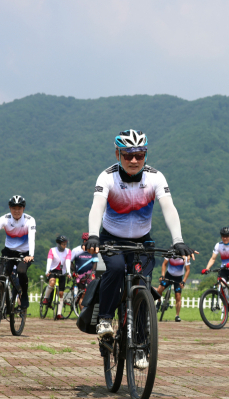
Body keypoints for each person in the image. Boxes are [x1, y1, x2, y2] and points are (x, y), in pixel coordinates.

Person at [84, 129, 196, 339]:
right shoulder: (107, 176)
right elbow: (97, 206)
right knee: (115, 269)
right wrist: (93, 235)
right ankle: (106, 319)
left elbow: (169, 207)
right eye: (128, 155)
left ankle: (142, 344)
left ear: (146, 154)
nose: (134, 160)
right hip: (112, 239)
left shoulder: (156, 177)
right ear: (118, 154)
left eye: (140, 155)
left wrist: (178, 240)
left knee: (143, 284)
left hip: (142, 241)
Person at [0, 195, 35, 315]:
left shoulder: (29, 220)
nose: (16, 211)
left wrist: (30, 254)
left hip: (24, 254)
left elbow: (32, 238)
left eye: (19, 208)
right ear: (9, 208)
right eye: (14, 208)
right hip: (8, 252)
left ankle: (24, 294)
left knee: (21, 272)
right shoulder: (4, 219)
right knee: (2, 276)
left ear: (23, 209)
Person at [202, 227, 229, 312]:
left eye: (227, 236)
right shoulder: (218, 245)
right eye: (223, 236)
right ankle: (226, 303)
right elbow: (213, 258)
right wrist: (207, 269)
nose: (225, 238)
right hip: (224, 268)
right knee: (221, 284)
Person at [44, 235, 72, 320]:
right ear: (59, 244)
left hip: (62, 272)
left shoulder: (68, 251)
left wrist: (68, 272)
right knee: (52, 283)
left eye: (65, 244)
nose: (65, 245)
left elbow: (68, 261)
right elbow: (49, 261)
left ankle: (59, 313)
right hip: (53, 270)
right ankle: (45, 298)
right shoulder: (52, 250)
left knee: (61, 293)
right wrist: (47, 270)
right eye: (63, 244)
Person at [156, 255, 190, 322]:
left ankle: (177, 315)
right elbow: (164, 264)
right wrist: (162, 275)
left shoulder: (185, 257)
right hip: (168, 275)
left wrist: (183, 281)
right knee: (159, 290)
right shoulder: (170, 253)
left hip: (178, 278)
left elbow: (188, 270)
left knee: (178, 297)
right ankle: (159, 302)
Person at [70, 233, 98, 311]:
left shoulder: (93, 251)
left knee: (91, 294)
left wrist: (93, 272)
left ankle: (89, 311)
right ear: (84, 240)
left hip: (90, 275)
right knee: (83, 294)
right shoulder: (76, 250)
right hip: (79, 275)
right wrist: (74, 272)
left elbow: (95, 262)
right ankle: (82, 314)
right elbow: (70, 262)